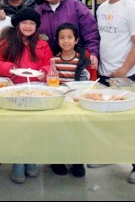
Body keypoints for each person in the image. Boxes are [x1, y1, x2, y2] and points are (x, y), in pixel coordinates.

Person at [96, 0, 135, 184]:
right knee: (107, 121)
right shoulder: (101, 8)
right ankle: (109, 155)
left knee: (131, 122)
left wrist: (124, 70)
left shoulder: (134, 9)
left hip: (127, 75)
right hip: (105, 73)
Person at [0, 7, 53, 183]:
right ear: (17, 25)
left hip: (36, 91)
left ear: (36, 26)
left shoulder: (43, 45)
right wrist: (10, 69)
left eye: (31, 23)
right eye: (24, 22)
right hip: (13, 91)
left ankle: (31, 158)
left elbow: (50, 65)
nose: (27, 26)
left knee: (34, 128)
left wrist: (43, 72)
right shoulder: (6, 43)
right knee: (17, 128)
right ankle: (18, 161)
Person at [35, 0, 100, 73]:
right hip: (47, 65)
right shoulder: (37, 12)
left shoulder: (76, 6)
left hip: (75, 63)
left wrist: (93, 53)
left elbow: (90, 32)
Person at [49, 22, 91, 178]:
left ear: (76, 40)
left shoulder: (82, 60)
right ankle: (57, 160)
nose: (65, 41)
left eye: (69, 37)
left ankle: (77, 162)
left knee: (77, 133)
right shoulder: (54, 60)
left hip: (76, 102)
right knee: (58, 132)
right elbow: (52, 81)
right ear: (57, 41)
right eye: (62, 38)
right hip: (60, 103)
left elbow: (86, 81)